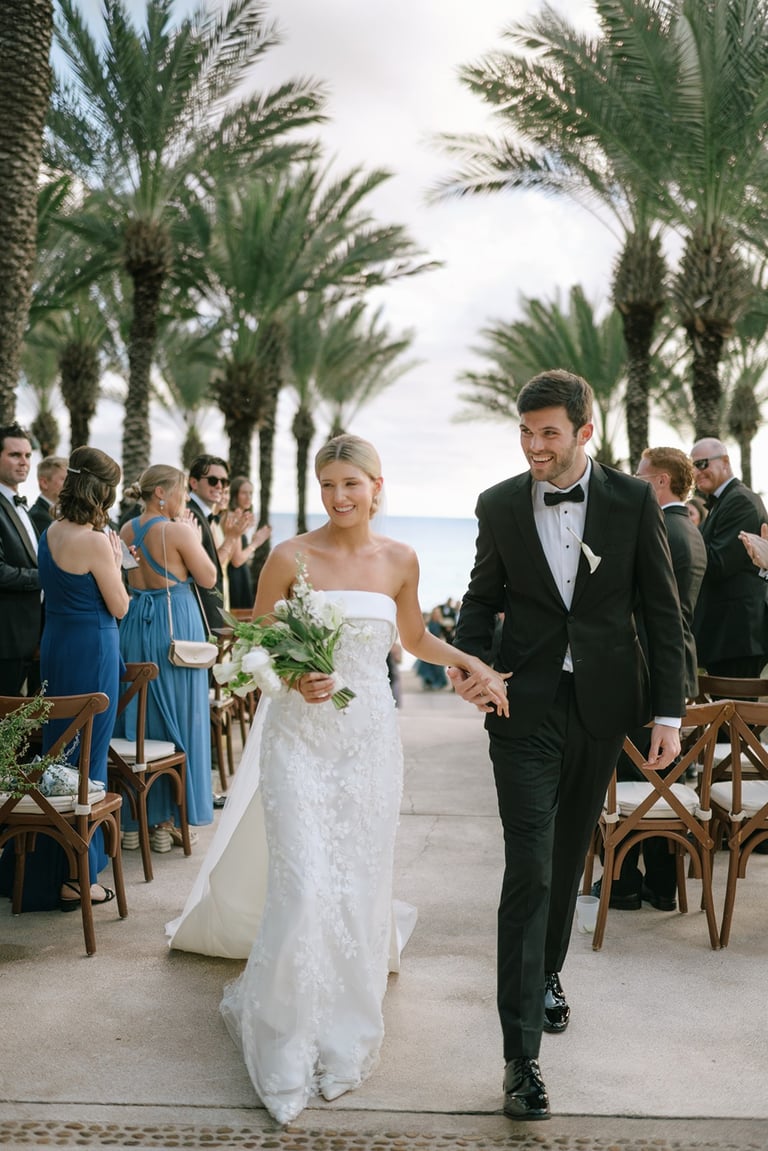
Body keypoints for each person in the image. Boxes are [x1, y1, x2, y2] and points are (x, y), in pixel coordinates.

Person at [166, 433, 508, 1125]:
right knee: (301, 882)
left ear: (377, 486)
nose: (339, 496)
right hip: (299, 738)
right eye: (327, 485)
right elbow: (258, 638)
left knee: (356, 878)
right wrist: (295, 675)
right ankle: (285, 1036)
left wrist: (469, 659)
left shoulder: (401, 558)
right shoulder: (289, 556)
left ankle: (344, 1024)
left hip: (368, 743)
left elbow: (412, 638)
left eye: (351, 483)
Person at [448, 370, 685, 1121]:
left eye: (549, 432)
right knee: (529, 865)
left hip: (601, 709)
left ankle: (548, 970)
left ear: (585, 431)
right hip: (521, 706)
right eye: (525, 432)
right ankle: (521, 1060)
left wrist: (668, 714)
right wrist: (468, 665)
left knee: (566, 853)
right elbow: (481, 599)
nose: (534, 446)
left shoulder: (633, 500)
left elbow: (662, 610)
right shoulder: (498, 504)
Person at [0, 446, 129, 911]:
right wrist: (116, 560)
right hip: (93, 646)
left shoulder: (50, 531)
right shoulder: (95, 541)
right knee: (88, 760)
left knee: (61, 750)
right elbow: (120, 606)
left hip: (57, 644)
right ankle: (78, 877)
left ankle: (53, 867)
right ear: (102, 491)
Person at [593, 446, 707, 912]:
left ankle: (622, 884)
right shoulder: (690, 530)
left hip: (651, 672)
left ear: (660, 481)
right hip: (674, 670)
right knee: (658, 780)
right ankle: (660, 885)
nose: (635, 484)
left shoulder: (663, 527)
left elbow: (654, 611)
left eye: (641, 477)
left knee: (632, 779)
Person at [117, 465, 218, 850]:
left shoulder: (127, 530)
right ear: (161, 493)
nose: (183, 499)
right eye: (180, 491)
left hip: (135, 625)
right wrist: (195, 536)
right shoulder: (178, 531)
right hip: (174, 628)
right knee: (182, 716)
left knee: (139, 717)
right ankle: (166, 824)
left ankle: (132, 822)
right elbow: (208, 577)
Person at [691, 438, 768, 678]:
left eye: (702, 464)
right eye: (692, 466)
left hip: (738, 635)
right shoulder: (723, 502)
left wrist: (684, 537)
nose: (696, 472)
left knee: (736, 702)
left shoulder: (741, 501)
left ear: (725, 462)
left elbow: (718, 563)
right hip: (726, 636)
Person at [0, 423, 41, 696]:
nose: (24, 462)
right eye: (15, 455)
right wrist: (46, 577)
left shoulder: (21, 504)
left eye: (27, 455)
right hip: (6, 640)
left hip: (30, 637)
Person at [224, 476, 271, 611]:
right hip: (236, 577)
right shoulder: (233, 517)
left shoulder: (235, 515)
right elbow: (237, 560)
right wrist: (255, 543)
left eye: (251, 493)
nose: (248, 497)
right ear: (234, 495)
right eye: (244, 493)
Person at [28, 455, 68, 534]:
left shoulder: (61, 512)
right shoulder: (39, 516)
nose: (69, 484)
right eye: (64, 479)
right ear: (44, 483)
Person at [414, 606, 450, 689]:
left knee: (438, 666)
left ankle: (439, 683)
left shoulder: (441, 623)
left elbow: (444, 634)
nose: (436, 614)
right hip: (429, 645)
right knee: (426, 663)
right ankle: (429, 682)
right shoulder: (429, 622)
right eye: (435, 613)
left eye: (437, 613)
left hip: (438, 646)